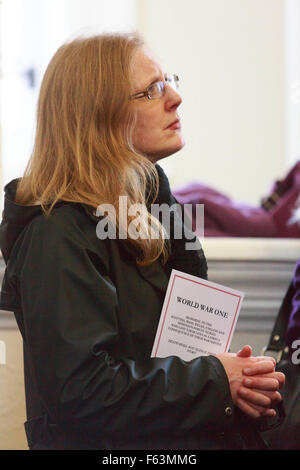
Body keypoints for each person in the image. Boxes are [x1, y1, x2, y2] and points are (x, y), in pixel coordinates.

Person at [0, 33, 285, 450]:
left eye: (167, 80)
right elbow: (85, 394)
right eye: (152, 90)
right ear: (99, 115)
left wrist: (240, 390)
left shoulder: (151, 214)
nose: (176, 98)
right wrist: (216, 382)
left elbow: (177, 356)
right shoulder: (56, 234)